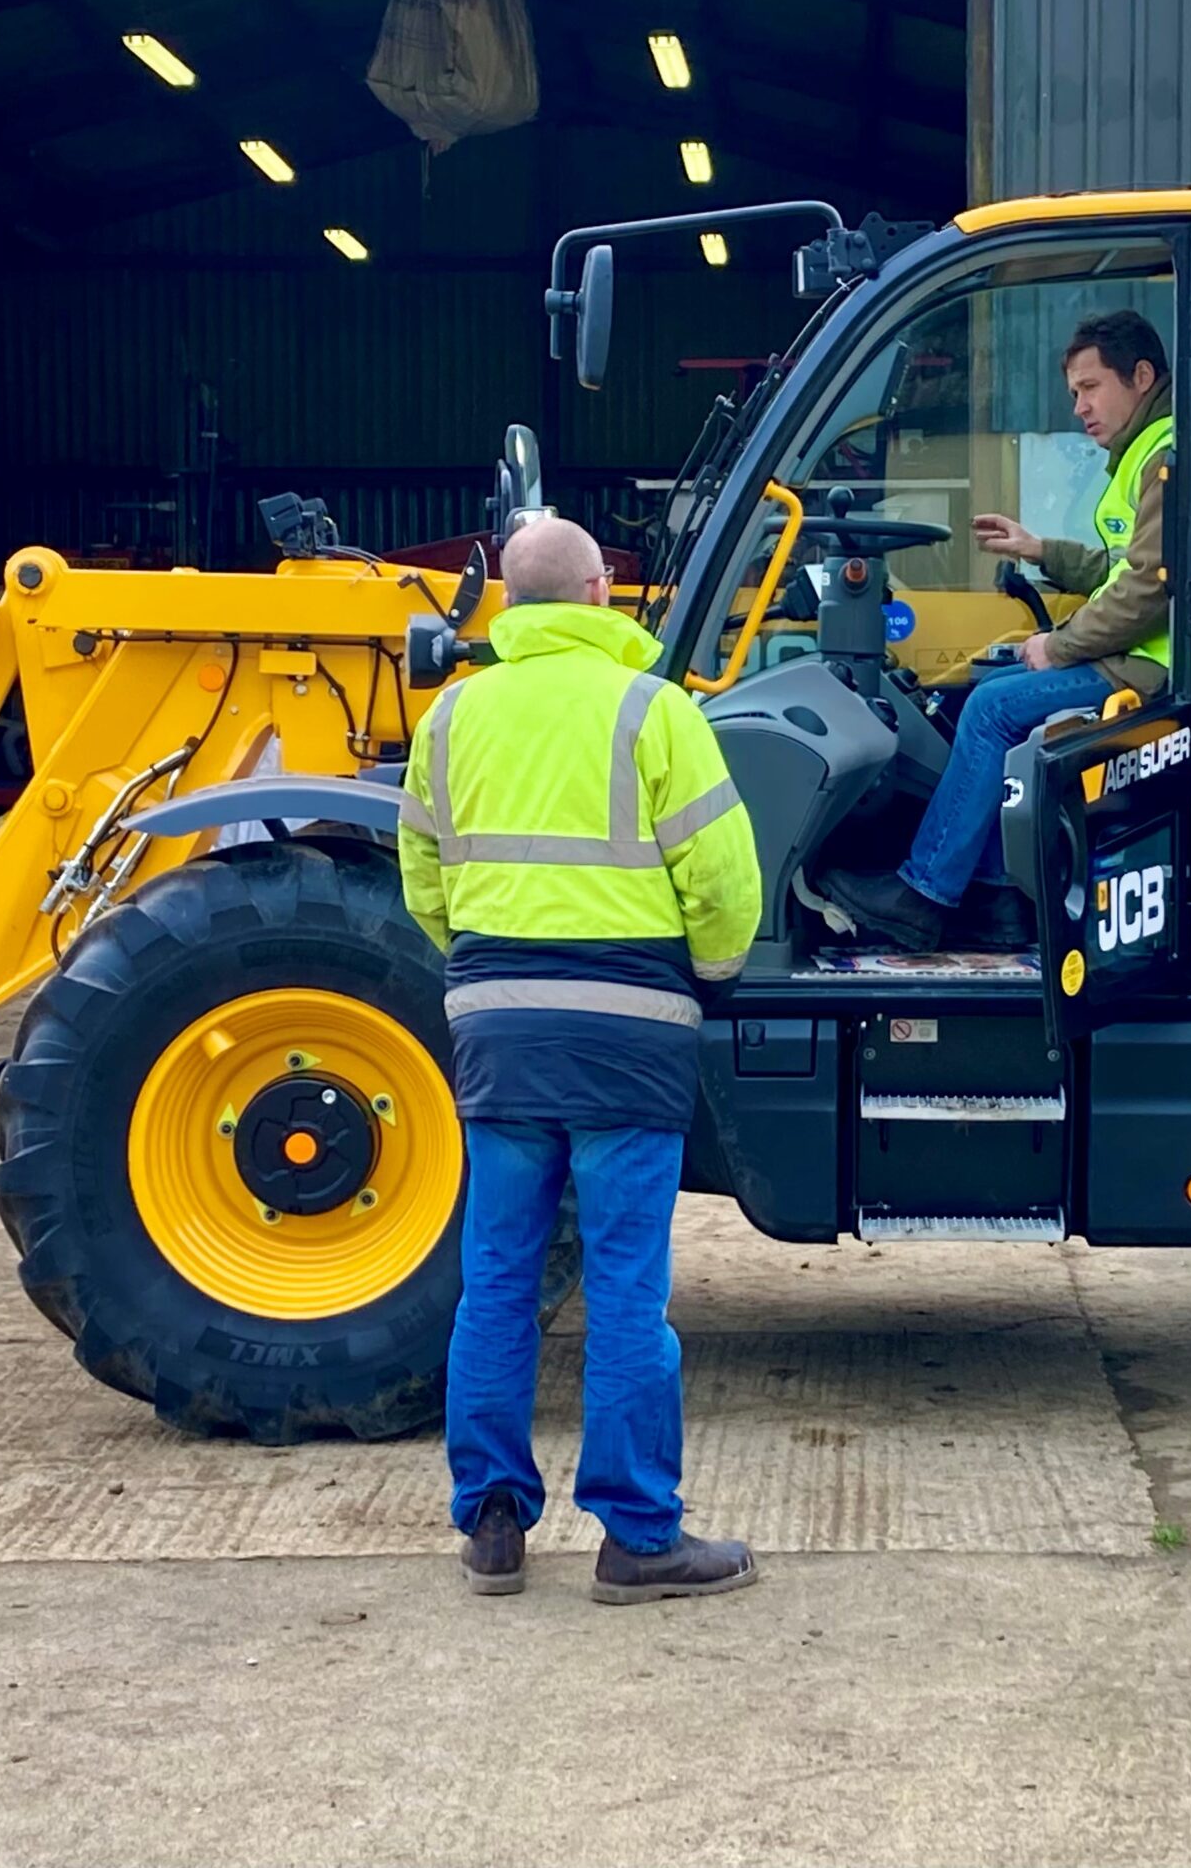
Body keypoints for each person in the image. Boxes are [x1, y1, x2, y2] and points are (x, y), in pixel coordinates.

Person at [399, 515, 764, 1605]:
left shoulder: (454, 713)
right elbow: (724, 879)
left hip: (499, 1029)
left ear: (510, 603)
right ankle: (637, 1537)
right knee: (624, 1291)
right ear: (603, 591)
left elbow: (421, 875)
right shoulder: (657, 710)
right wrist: (714, 969)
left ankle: (494, 1526)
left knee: (499, 1282)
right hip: (628, 1032)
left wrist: (481, 971)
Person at [821, 309, 1175, 952]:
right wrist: (1040, 550)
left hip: (1155, 668)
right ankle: (994, 899)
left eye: (1090, 388)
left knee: (990, 706)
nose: (1079, 408)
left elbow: (1150, 588)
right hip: (1136, 654)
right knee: (975, 687)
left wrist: (1060, 645)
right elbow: (1123, 566)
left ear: (1141, 376)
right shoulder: (1150, 452)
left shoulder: (1166, 456)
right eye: (1074, 393)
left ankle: (924, 894)